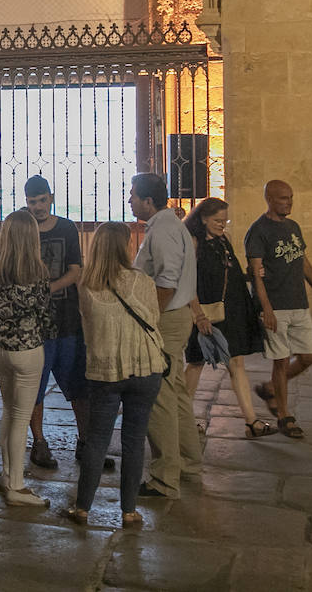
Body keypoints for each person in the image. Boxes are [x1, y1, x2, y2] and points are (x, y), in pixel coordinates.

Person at [66, 222, 166, 527]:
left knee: (97, 440)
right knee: (134, 441)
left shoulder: (85, 285)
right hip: (145, 367)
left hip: (105, 370)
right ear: (126, 247)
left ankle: (82, 508)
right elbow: (154, 318)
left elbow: (88, 326)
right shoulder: (143, 281)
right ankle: (129, 511)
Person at [130, 172, 202, 500]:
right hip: (176, 315)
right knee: (175, 393)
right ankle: (187, 460)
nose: (129, 200)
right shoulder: (170, 226)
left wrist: (149, 319)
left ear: (148, 201)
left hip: (167, 318)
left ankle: (164, 477)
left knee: (157, 398)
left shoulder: (163, 231)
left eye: (133, 195)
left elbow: (167, 280)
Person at [0, 209, 53, 507]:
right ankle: (18, 487)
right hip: (28, 349)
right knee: (21, 417)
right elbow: (44, 311)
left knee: (9, 412)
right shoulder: (37, 271)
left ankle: (7, 474)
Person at [247, 180, 312, 440]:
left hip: (298, 303)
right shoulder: (259, 231)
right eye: (284, 198)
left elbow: (302, 261)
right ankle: (285, 416)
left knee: (309, 356)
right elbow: (256, 275)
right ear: (270, 199)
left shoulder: (293, 227)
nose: (289, 202)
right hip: (276, 306)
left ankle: (272, 388)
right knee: (281, 361)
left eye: (291, 197)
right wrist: (267, 308)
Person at [182, 198, 273, 438]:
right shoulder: (193, 242)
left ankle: (251, 421)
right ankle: (182, 419)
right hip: (205, 312)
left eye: (225, 220)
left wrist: (250, 274)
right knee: (196, 363)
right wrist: (197, 314)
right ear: (203, 218)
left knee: (237, 363)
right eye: (217, 221)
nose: (223, 225)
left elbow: (227, 273)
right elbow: (187, 281)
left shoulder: (224, 241)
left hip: (231, 309)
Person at [22, 174, 87, 471]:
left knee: (76, 383)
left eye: (41, 200)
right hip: (36, 324)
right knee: (35, 384)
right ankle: (39, 442)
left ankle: (85, 441)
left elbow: (76, 271)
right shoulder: (24, 231)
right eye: (32, 202)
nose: (37, 207)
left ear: (51, 197)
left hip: (67, 318)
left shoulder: (66, 228)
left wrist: (48, 288)